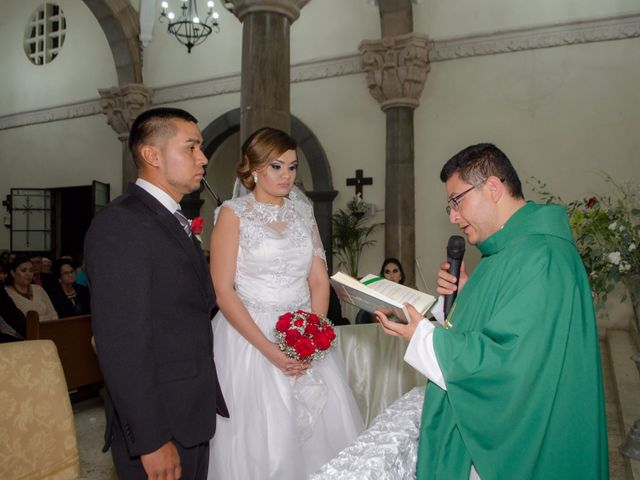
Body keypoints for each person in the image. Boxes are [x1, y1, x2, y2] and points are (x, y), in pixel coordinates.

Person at [377, 143, 607, 479]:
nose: (454, 216)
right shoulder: (508, 250)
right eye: (449, 206)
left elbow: (512, 365)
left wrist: (424, 338)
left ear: (493, 188)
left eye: (457, 201)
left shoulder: (541, 256)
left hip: (527, 447)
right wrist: (467, 295)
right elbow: (501, 325)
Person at [208, 127, 363, 479]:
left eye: (292, 167)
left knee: (319, 435)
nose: (287, 176)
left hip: (302, 332)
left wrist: (310, 334)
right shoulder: (233, 214)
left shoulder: (302, 215)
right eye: (276, 167)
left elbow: (319, 280)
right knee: (266, 442)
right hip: (248, 337)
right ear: (253, 169)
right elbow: (223, 291)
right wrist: (270, 349)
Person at [85, 107, 228, 480]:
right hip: (159, 424)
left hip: (188, 414)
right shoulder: (122, 224)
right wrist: (149, 440)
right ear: (152, 155)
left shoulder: (167, 219)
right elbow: (121, 343)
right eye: (191, 147)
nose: (203, 158)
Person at [5, 255, 58, 321]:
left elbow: (53, 313)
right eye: (23, 271)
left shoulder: (38, 289)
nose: (28, 274)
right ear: (13, 273)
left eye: (31, 270)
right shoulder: (6, 294)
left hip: (48, 328)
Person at [355, 257, 407, 324]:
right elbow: (375, 323)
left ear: (400, 276)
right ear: (383, 276)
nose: (391, 275)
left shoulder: (410, 293)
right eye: (387, 272)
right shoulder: (377, 296)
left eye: (395, 271)